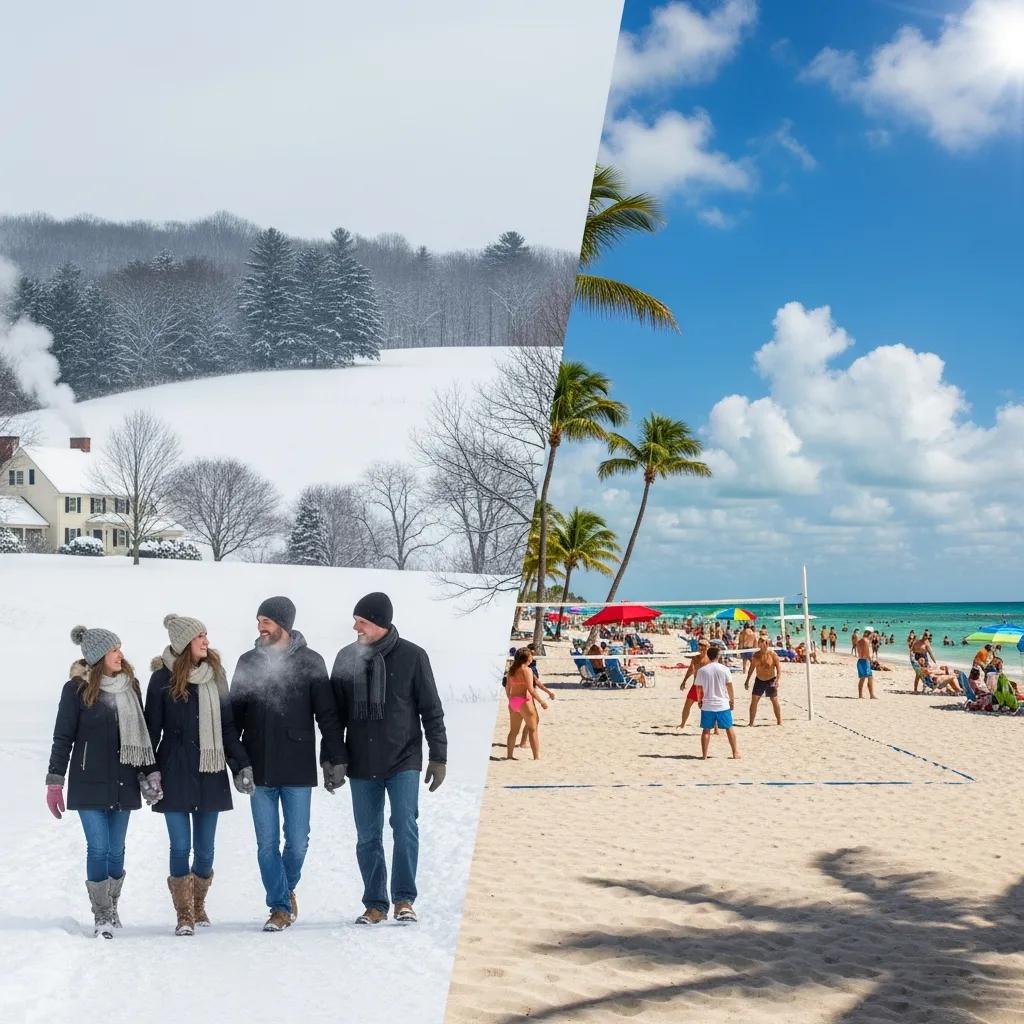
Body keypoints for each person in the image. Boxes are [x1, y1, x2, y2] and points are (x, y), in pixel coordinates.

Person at [329, 592, 447, 927]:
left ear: (380, 623)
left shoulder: (413, 656)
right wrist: (333, 759)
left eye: (361, 621)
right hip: (361, 760)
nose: (355, 627)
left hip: (403, 758)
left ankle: (404, 899)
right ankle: (375, 903)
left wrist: (439, 756)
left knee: (405, 827)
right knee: (367, 835)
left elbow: (431, 710)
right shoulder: (346, 658)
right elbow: (334, 717)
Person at [230, 596, 344, 932]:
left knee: (298, 841)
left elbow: (327, 716)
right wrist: (238, 763)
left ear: (284, 624)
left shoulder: (311, 661)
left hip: (297, 766)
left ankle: (285, 887)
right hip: (258, 766)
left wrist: (334, 758)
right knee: (267, 843)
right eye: (258, 621)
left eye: (266, 621)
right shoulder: (248, 661)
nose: (260, 627)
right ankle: (279, 907)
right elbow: (232, 718)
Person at [47, 626, 159, 938]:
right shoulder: (76, 690)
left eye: (120, 648)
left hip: (123, 779)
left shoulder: (130, 686)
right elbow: (63, 737)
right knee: (98, 847)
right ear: (98, 656)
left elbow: (143, 735)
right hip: (88, 781)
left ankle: (112, 904)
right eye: (114, 650)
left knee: (117, 849)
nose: (120, 654)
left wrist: (150, 772)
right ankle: (102, 915)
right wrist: (55, 781)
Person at [145, 614, 252, 936]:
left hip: (210, 768)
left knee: (205, 849)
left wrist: (241, 764)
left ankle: (199, 903)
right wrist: (149, 772)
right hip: (174, 768)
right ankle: (184, 913)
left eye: (206, 635)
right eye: (199, 636)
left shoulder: (215, 675)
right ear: (183, 643)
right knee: (180, 845)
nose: (206, 641)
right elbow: (151, 729)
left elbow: (228, 726)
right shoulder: (161, 679)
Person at [697, 646, 739, 760]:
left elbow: (698, 688)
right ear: (718, 656)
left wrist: (699, 700)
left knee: (706, 730)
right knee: (729, 728)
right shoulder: (725, 669)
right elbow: (729, 686)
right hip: (722, 703)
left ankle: (704, 755)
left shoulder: (702, 670)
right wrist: (732, 700)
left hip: (708, 704)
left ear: (708, 656)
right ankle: (735, 753)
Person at [505, 647, 547, 760]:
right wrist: (541, 701)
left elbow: (507, 688)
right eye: (530, 655)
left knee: (513, 731)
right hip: (524, 701)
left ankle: (509, 756)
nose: (532, 657)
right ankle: (536, 757)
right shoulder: (527, 670)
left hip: (514, 701)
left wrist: (510, 699)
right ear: (526, 658)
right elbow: (531, 689)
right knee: (533, 729)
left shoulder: (512, 670)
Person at [744, 636, 783, 726]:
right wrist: (747, 680)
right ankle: (751, 723)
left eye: (764, 642)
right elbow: (751, 669)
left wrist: (777, 680)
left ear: (767, 644)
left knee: (774, 699)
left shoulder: (773, 655)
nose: (762, 644)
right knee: (754, 700)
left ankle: (779, 721)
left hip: (771, 680)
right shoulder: (756, 655)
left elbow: (779, 669)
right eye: (760, 642)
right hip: (759, 680)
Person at [678, 639, 711, 731]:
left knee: (709, 708)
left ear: (707, 647)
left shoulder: (710, 659)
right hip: (696, 685)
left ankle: (715, 728)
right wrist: (684, 681)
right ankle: (682, 724)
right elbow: (690, 670)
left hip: (707, 687)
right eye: (700, 645)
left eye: (703, 646)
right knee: (687, 705)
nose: (701, 647)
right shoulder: (695, 658)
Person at [856, 629, 876, 699]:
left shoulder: (859, 641)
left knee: (862, 678)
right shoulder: (866, 641)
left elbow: (859, 652)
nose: (872, 636)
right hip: (865, 661)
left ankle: (860, 695)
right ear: (869, 634)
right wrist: (871, 661)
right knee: (870, 677)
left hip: (860, 661)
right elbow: (867, 654)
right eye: (871, 634)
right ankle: (871, 695)